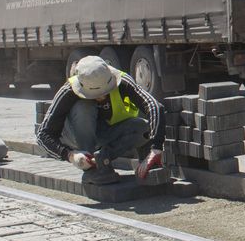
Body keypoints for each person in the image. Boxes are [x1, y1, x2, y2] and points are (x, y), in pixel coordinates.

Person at [36, 56, 165, 185]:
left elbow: (153, 105)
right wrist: (70, 155)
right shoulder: (68, 91)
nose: (102, 97)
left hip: (109, 133)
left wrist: (156, 149)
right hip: (77, 138)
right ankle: (91, 169)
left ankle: (103, 159)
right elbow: (43, 135)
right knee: (84, 106)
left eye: (105, 91)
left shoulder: (122, 81)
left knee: (144, 128)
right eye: (95, 95)